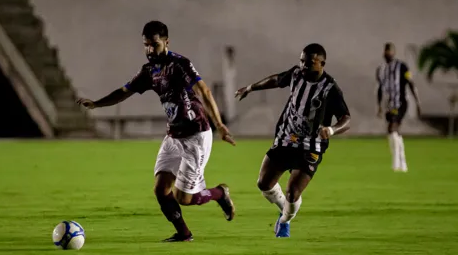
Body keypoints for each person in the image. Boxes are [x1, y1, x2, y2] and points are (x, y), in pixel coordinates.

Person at [77, 21, 236, 242]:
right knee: (161, 188)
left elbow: (204, 91)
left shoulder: (180, 64)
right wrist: (96, 104)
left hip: (195, 135)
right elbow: (124, 92)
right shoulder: (149, 71)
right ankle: (184, 234)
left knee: (185, 198)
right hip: (173, 136)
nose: (150, 50)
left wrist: (220, 125)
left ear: (167, 42)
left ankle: (219, 193)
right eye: (146, 45)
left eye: (155, 44)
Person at [235, 43, 351, 238]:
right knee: (264, 184)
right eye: (302, 61)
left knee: (292, 193)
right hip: (286, 138)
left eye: (310, 63)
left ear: (322, 63)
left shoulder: (330, 88)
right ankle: (284, 209)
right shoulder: (296, 74)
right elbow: (277, 80)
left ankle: (284, 222)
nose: (304, 66)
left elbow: (346, 119)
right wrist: (250, 87)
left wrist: (331, 130)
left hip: (310, 146)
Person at [376, 42, 421, 172]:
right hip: (390, 104)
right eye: (386, 51)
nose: (388, 53)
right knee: (393, 132)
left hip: (401, 103)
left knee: (392, 128)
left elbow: (411, 84)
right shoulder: (381, 69)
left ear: (394, 53)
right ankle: (402, 162)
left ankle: (396, 163)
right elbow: (379, 88)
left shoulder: (402, 67)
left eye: (390, 51)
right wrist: (379, 105)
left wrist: (418, 102)